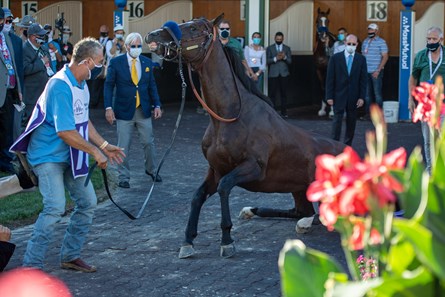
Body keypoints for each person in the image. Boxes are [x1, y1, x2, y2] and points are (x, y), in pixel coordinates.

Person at [10, 37, 125, 272]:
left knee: (88, 202)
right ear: (86, 61)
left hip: (71, 154)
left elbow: (82, 119)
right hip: (47, 155)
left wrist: (103, 145)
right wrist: (94, 151)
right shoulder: (60, 85)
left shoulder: (81, 84)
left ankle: (70, 256)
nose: (101, 67)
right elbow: (65, 131)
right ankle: (31, 267)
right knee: (54, 207)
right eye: (99, 63)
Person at [104, 32, 162, 188]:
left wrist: (157, 105)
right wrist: (108, 107)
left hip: (143, 109)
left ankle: (152, 170)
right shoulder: (116, 63)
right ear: (127, 46)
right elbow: (109, 85)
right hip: (124, 111)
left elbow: (152, 86)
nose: (136, 48)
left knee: (148, 142)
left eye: (139, 46)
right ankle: (123, 177)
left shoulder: (146, 62)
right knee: (123, 145)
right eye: (134, 46)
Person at [408, 26, 445, 173]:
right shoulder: (421, 56)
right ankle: (431, 171)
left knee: (442, 138)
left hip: (443, 105)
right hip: (425, 106)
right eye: (428, 39)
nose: (431, 42)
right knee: (429, 140)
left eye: (434, 39)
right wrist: (410, 99)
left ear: (441, 40)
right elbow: (413, 78)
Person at [326, 34, 367, 146]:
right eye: (349, 44)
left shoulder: (361, 59)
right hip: (338, 94)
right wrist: (329, 96)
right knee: (337, 121)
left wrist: (361, 97)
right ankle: (334, 144)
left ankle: (347, 146)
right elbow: (330, 78)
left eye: (353, 44)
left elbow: (363, 80)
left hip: (353, 96)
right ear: (345, 43)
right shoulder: (335, 58)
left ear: (357, 45)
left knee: (351, 121)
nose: (351, 46)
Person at [0, 8, 24, 173]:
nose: (3, 23)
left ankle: (5, 160)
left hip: (9, 90)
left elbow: (13, 65)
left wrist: (19, 89)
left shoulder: (7, 38)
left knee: (7, 128)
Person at [22, 23, 53, 127]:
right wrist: (41, 63)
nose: (42, 37)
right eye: (40, 35)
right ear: (32, 36)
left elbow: (50, 66)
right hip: (31, 95)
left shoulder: (44, 48)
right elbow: (25, 69)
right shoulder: (24, 49)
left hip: (45, 92)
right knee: (30, 123)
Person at [361, 23, 388, 119]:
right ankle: (368, 114)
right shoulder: (365, 42)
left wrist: (378, 70)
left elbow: (385, 56)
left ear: (377, 31)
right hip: (366, 72)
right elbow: (363, 56)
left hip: (376, 72)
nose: (370, 31)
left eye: (372, 30)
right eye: (369, 29)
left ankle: (379, 115)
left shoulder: (381, 42)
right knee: (367, 95)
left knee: (377, 94)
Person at [266, 32, 292, 117]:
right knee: (272, 94)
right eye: (277, 39)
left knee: (283, 94)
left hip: (284, 74)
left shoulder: (287, 48)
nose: (279, 41)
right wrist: (275, 58)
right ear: (275, 38)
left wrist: (284, 57)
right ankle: (272, 112)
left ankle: (284, 112)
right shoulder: (269, 48)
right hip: (273, 74)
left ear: (283, 39)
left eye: (280, 39)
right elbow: (267, 61)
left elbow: (290, 61)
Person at [88, 25, 109, 108]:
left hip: (106, 65)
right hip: (96, 65)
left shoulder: (110, 41)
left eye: (105, 31)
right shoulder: (95, 41)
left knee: (105, 85)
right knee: (95, 85)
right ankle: (93, 103)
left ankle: (103, 103)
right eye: (102, 31)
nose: (103, 32)